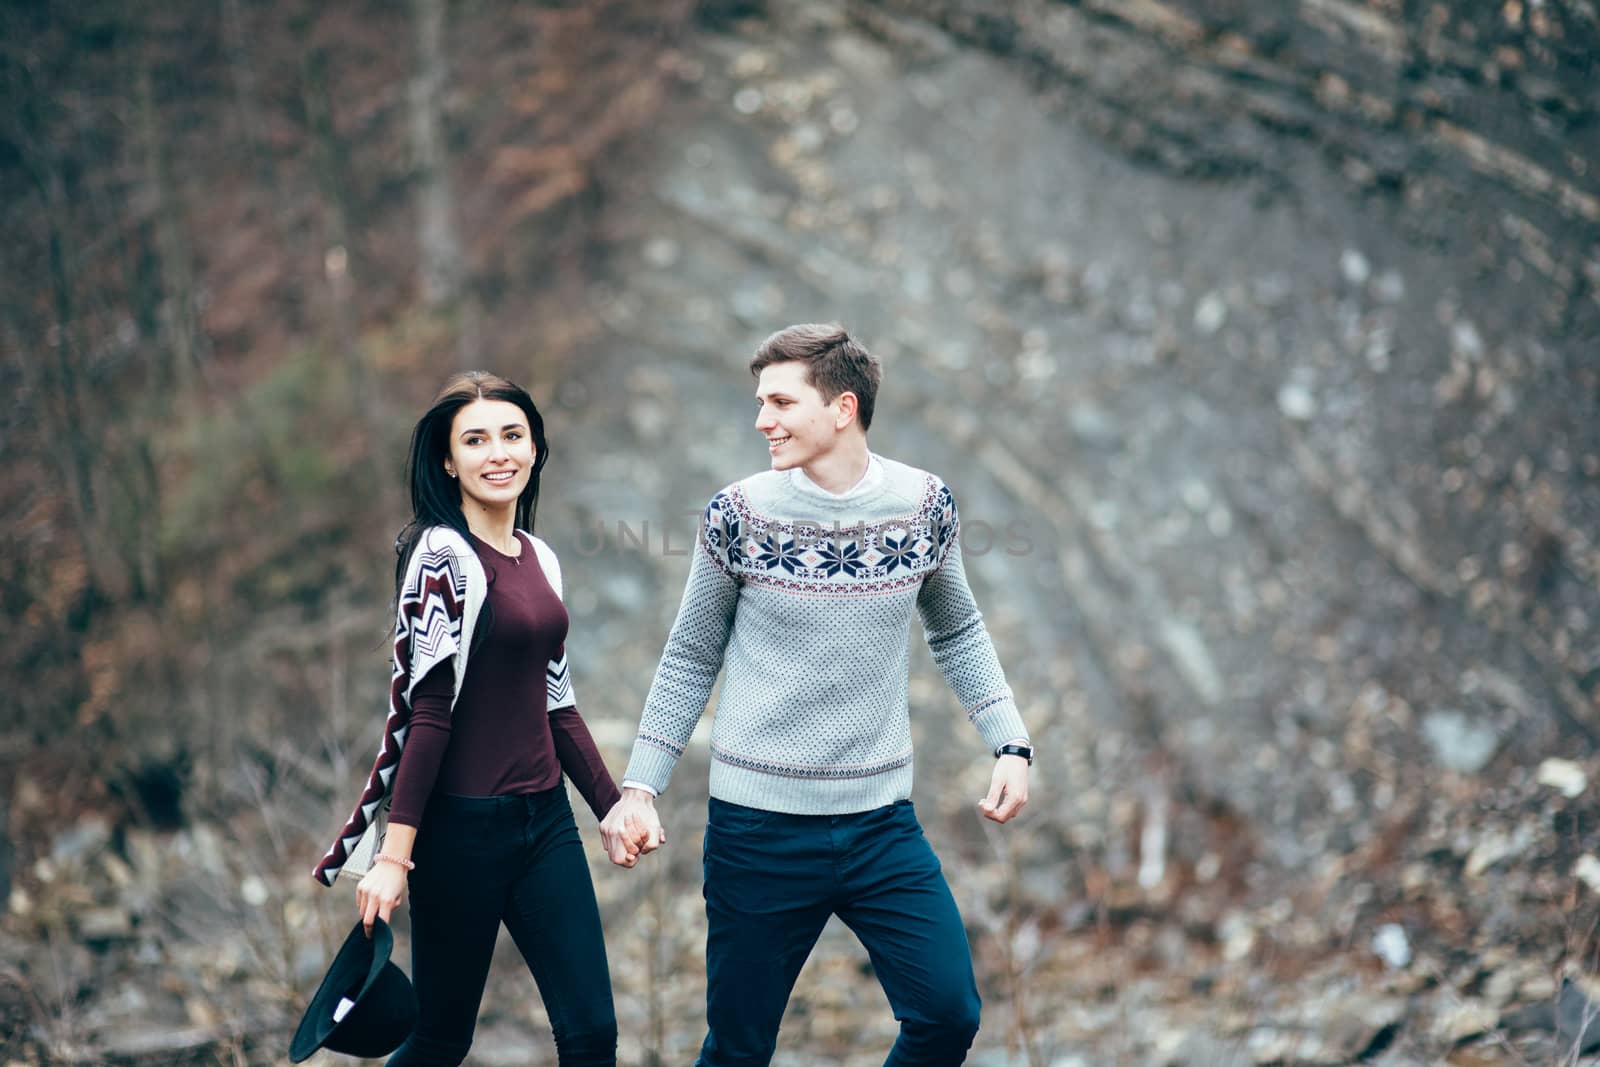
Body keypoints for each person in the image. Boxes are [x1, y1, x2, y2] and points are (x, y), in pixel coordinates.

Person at [600, 325, 1034, 1066]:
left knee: (947, 1014)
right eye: (759, 401)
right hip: (757, 832)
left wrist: (1011, 742)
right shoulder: (738, 513)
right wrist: (641, 784)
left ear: (842, 407)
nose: (761, 419)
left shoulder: (924, 504)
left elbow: (957, 628)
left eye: (779, 400)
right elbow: (689, 655)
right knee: (738, 1048)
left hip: (881, 826)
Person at [313, 371, 624, 1067]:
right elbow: (428, 713)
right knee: (441, 1039)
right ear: (448, 460)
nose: (498, 453)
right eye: (475, 440)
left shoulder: (540, 557)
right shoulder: (441, 557)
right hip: (459, 836)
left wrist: (608, 806)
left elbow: (557, 699)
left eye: (513, 435)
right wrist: (395, 857)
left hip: (545, 826)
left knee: (592, 1033)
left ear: (537, 448)